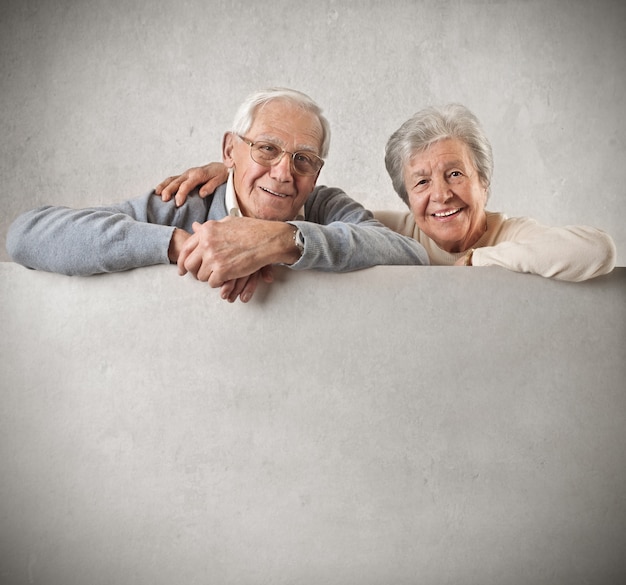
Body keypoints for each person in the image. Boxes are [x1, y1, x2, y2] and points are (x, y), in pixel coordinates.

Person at [6, 88, 429, 303]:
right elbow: (27, 234)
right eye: (266, 148)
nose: (284, 172)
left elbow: (411, 256)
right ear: (230, 150)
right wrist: (186, 245)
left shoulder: (322, 204)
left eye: (304, 159)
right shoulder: (183, 203)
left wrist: (283, 239)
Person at [156, 103, 616, 282]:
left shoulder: (511, 234)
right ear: (405, 198)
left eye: (456, 175)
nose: (441, 196)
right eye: (421, 182)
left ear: (484, 184)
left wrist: (481, 259)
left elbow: (598, 250)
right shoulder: (397, 230)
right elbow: (295, 210)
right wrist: (235, 168)